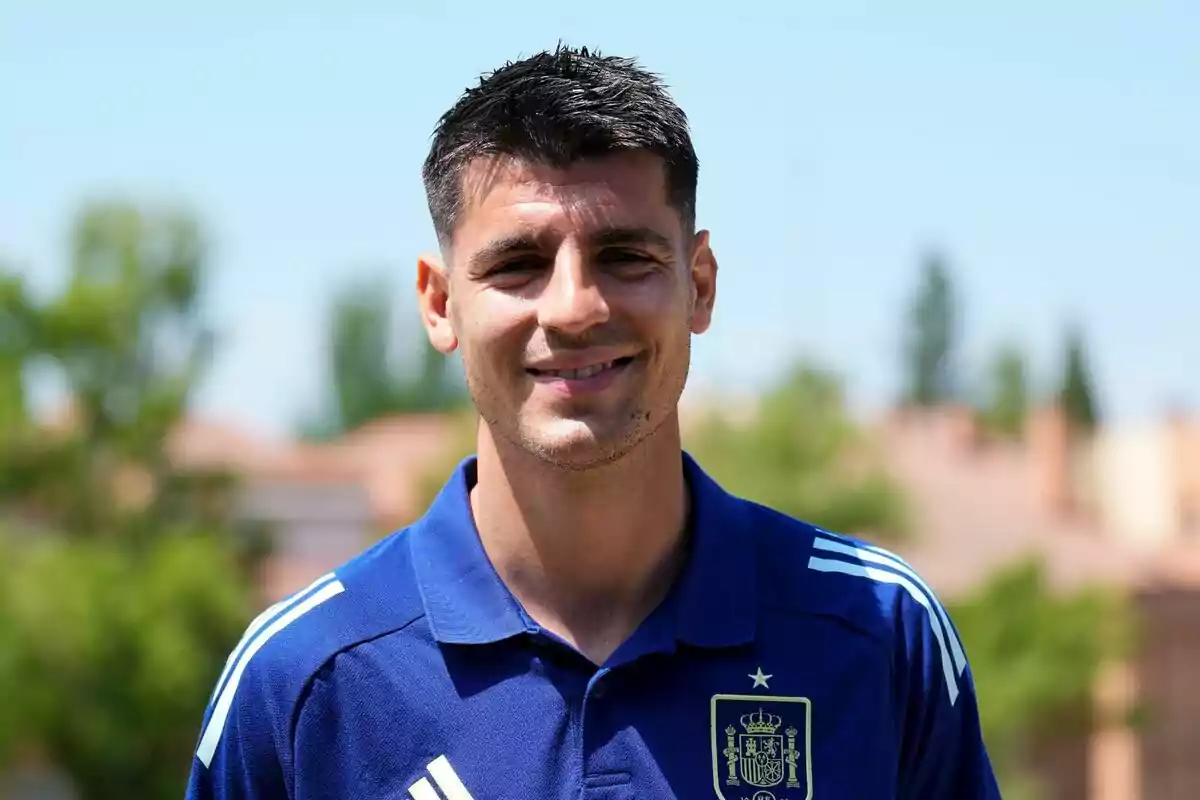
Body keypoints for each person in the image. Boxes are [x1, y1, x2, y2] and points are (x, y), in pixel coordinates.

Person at [186, 44, 1001, 799]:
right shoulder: (303, 682)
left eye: (627, 258)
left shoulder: (878, 635)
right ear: (440, 304)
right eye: (518, 265)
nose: (575, 308)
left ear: (701, 285)